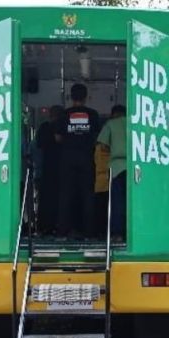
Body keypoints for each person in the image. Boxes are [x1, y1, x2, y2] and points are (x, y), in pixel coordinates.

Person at [55, 83, 100, 238]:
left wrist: (70, 139)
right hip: (87, 158)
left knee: (65, 195)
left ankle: (62, 232)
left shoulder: (64, 115)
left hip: (67, 159)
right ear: (86, 97)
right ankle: (89, 232)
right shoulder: (93, 114)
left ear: (70, 96)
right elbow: (97, 138)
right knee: (88, 195)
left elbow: (58, 137)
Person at [96, 104, 127, 239]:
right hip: (135, 167)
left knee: (117, 202)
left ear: (114, 114)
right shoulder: (135, 123)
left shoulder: (110, 124)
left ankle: (118, 233)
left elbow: (102, 145)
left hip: (117, 168)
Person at [35, 105, 65, 235]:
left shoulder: (44, 128)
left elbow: (38, 143)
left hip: (47, 167)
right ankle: (61, 226)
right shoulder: (64, 127)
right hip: (64, 168)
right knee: (62, 198)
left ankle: (45, 226)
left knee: (47, 199)